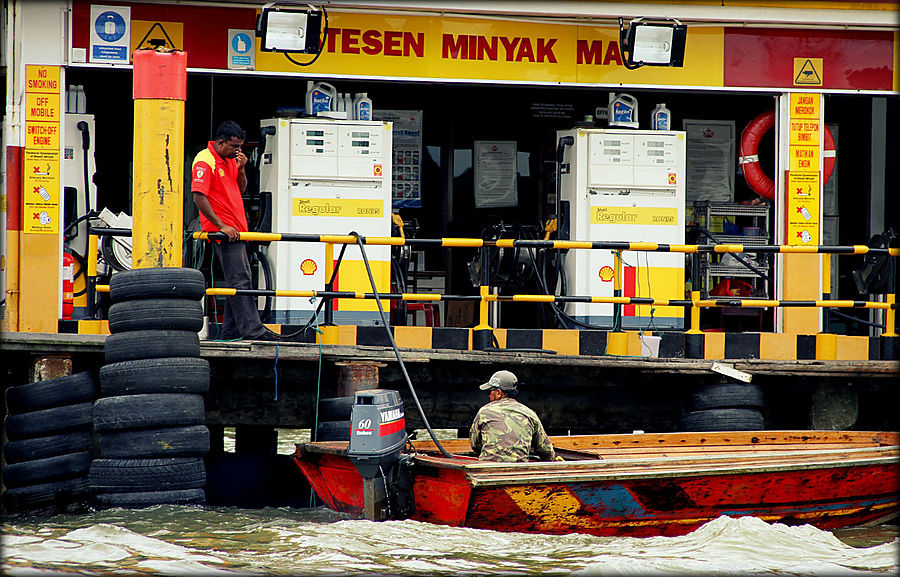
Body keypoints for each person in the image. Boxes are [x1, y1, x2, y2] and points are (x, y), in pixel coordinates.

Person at [191, 121, 281, 341]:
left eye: (240, 146)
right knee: (241, 281)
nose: (238, 151)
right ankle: (254, 331)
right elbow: (198, 196)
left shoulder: (231, 160)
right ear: (221, 143)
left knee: (238, 281)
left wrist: (241, 168)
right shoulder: (206, 159)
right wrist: (221, 225)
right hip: (224, 232)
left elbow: (240, 189)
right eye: (234, 146)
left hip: (238, 229)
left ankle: (231, 331)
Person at [469, 370, 556, 462]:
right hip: (518, 472)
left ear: (498, 392)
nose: (489, 396)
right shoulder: (529, 413)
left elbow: (475, 445)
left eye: (489, 392)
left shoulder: (484, 412)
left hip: (487, 470)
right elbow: (547, 451)